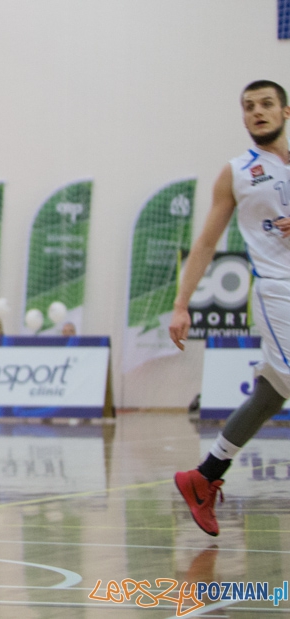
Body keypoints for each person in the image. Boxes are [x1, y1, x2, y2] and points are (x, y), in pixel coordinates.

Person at [172, 80, 290, 537]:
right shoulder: (238, 172)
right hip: (278, 291)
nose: (256, 112)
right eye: (248, 107)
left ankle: (204, 477)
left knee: (270, 394)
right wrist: (182, 305)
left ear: (285, 111)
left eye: (265, 104)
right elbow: (205, 243)